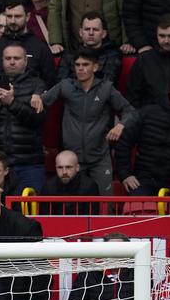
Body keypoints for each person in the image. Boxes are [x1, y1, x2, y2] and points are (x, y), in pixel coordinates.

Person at [35, 48, 134, 195]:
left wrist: (121, 125)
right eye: (77, 64)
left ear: (95, 67)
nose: (81, 68)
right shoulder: (65, 86)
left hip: (99, 157)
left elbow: (131, 112)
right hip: (73, 160)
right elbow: (41, 101)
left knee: (105, 206)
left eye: (85, 64)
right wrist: (36, 96)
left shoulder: (106, 88)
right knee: (72, 206)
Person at [0, 43, 47, 193]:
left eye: (16, 58)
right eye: (8, 58)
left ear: (25, 61)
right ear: (2, 61)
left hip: (29, 163)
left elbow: (38, 120)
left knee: (31, 212)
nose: (12, 62)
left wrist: (11, 103)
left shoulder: (37, 85)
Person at [0, 0, 57, 86]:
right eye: (9, 16)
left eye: (17, 16)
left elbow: (50, 83)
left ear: (28, 16)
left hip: (32, 98)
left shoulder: (40, 48)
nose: (13, 21)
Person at [114, 87, 170, 197]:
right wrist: (125, 175)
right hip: (144, 180)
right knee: (138, 211)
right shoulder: (148, 113)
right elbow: (124, 142)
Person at [66, 233, 133, 300]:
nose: (115, 254)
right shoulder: (87, 275)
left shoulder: (138, 274)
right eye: (110, 250)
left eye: (119, 250)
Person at [54, 12, 123, 86]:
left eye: (95, 29)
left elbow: (108, 84)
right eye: (87, 29)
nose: (91, 33)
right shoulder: (70, 53)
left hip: (100, 96)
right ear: (80, 32)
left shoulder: (112, 54)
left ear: (104, 34)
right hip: (71, 95)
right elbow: (60, 82)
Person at [48, 0, 126, 56]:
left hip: (108, 46)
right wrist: (56, 42)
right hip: (74, 46)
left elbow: (124, 9)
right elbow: (55, 9)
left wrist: (127, 41)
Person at [125, 15, 170, 109]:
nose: (166, 41)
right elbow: (132, 96)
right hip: (149, 116)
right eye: (162, 36)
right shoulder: (144, 60)